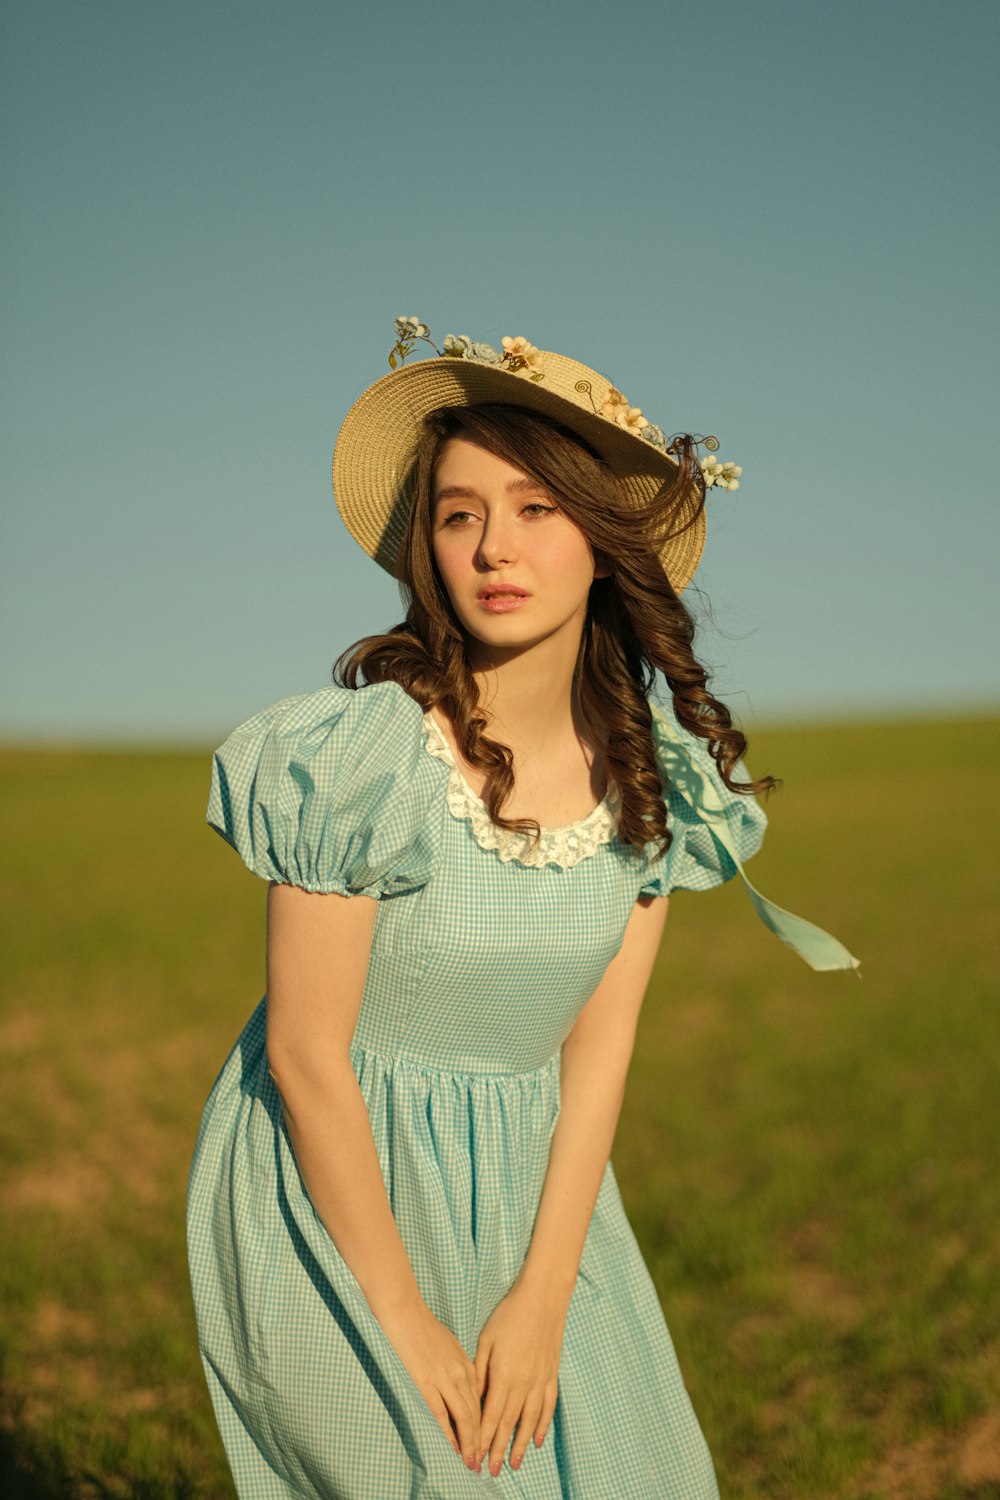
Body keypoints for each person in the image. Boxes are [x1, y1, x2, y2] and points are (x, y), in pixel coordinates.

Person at [187, 319, 857, 1500]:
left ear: (606, 542)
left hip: (537, 1190)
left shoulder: (652, 781)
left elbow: (598, 1052)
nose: (494, 545)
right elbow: (302, 1055)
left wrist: (545, 1293)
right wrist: (408, 1321)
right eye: (458, 514)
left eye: (537, 508)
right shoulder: (362, 760)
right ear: (427, 549)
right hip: (332, 1182)